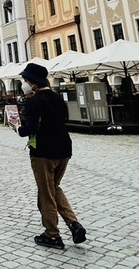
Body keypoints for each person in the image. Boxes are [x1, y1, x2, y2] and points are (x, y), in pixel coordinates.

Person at [13, 63, 86, 251]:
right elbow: (62, 119)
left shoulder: (35, 101)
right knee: (54, 186)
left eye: (26, 81)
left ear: (34, 83)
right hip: (64, 149)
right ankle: (74, 224)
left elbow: (30, 128)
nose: (24, 84)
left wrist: (17, 128)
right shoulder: (57, 98)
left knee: (45, 192)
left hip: (44, 152)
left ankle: (52, 235)